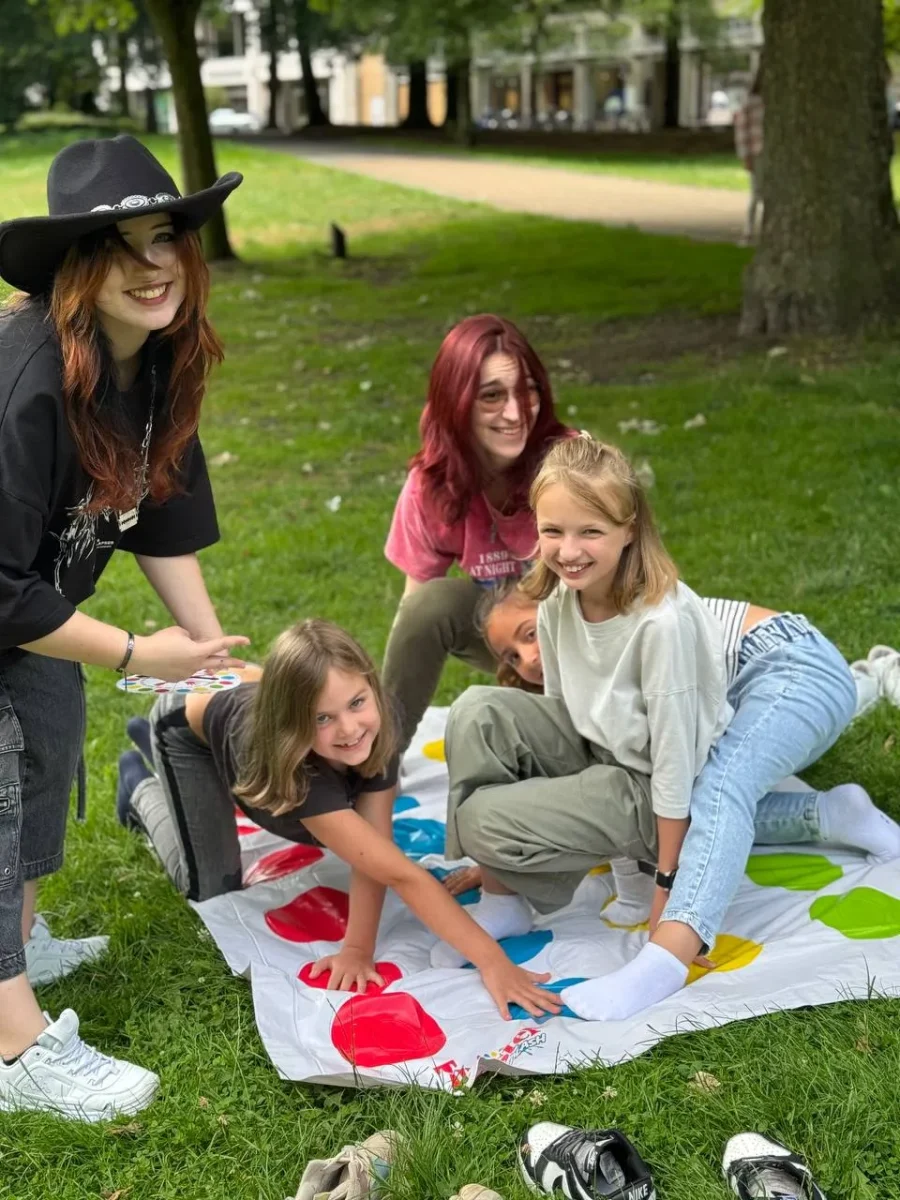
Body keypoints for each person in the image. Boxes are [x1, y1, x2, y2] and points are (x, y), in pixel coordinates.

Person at [434, 436, 900, 1022]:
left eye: (589, 531)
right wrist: (518, 851)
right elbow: (573, 732)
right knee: (477, 709)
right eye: (553, 531)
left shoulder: (661, 622)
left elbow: (677, 768)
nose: (568, 550)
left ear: (629, 529)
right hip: (720, 681)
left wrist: (663, 889)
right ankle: (831, 813)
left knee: (719, 785)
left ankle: (670, 955)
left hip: (790, 665)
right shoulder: (556, 605)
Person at [0, 135, 250, 1120]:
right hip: (6, 595)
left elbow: (160, 507)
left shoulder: (152, 360)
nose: (152, 265)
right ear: (75, 268)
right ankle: (14, 1050)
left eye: (166, 238)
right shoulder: (26, 380)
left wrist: (212, 653)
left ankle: (19, 944)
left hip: (32, 603)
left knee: (46, 745)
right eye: (120, 245)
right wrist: (141, 654)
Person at [116, 618, 562, 1021]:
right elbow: (402, 875)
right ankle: (141, 785)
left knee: (353, 812)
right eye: (323, 718)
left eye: (356, 702)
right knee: (211, 888)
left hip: (242, 696)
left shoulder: (380, 719)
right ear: (293, 724)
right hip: (188, 726)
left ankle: (162, 757)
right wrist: (493, 963)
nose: (349, 729)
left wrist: (360, 948)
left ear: (371, 685)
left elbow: (378, 851)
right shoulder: (301, 773)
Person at [381, 314, 572, 750]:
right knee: (431, 604)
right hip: (516, 648)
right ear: (457, 402)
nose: (515, 413)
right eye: (491, 396)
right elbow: (417, 613)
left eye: (527, 391)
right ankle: (378, 763)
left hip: (588, 640)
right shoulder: (432, 485)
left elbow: (625, 593)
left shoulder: (572, 464)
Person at [734, 66, 765, 244]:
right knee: (756, 193)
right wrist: (745, 155)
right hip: (757, 152)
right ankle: (748, 231)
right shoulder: (750, 103)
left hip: (769, 152)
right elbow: (742, 130)